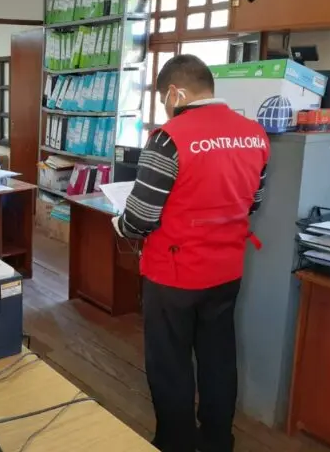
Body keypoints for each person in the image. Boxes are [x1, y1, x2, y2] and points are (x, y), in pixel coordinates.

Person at [111, 55, 269, 452]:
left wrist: (120, 224)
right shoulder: (254, 134)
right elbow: (254, 201)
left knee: (170, 363)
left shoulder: (168, 138)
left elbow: (140, 219)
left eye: (164, 98)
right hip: (227, 269)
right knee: (219, 358)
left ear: (175, 92)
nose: (166, 106)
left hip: (174, 273)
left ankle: (176, 441)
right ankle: (217, 440)